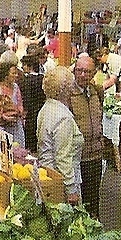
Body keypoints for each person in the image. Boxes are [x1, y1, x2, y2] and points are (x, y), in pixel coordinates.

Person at [37, 66, 84, 205]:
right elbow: (63, 157)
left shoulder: (46, 108)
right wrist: (71, 189)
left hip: (47, 173)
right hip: (59, 182)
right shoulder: (63, 117)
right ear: (66, 89)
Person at [68, 54, 105, 218]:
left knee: (93, 196)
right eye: (79, 71)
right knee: (76, 198)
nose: (83, 75)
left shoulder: (97, 92)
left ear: (94, 73)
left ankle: (94, 223)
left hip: (95, 154)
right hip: (77, 156)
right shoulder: (68, 94)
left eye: (87, 72)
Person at [0, 61, 26, 147]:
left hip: (15, 125)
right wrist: (3, 116)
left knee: (18, 148)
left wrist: (19, 112)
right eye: (13, 73)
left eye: (16, 73)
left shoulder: (16, 87)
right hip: (1, 126)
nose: (16, 75)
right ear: (5, 75)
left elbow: (20, 103)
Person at [18, 50, 46, 151]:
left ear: (29, 66)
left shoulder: (25, 81)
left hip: (30, 115)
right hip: (41, 112)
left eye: (24, 65)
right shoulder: (43, 78)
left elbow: (26, 100)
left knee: (29, 144)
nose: (22, 67)